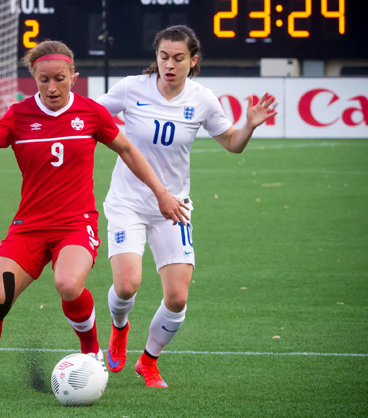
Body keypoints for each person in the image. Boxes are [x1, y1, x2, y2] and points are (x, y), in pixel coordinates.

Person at [0, 40, 186, 400]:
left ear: (74, 77)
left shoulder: (91, 113)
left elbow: (127, 150)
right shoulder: (19, 115)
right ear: (33, 78)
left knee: (69, 285)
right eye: (43, 80)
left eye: (60, 78)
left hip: (76, 224)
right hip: (28, 227)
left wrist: (161, 193)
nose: (52, 87)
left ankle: (91, 351)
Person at [96, 25, 278, 388]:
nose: (170, 64)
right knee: (128, 285)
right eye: (164, 56)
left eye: (179, 58)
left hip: (173, 206)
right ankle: (119, 328)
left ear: (193, 61)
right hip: (127, 202)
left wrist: (249, 125)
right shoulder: (132, 88)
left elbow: (232, 143)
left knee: (177, 297)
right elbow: (89, 115)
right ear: (157, 58)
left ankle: (148, 361)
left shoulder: (203, 99)